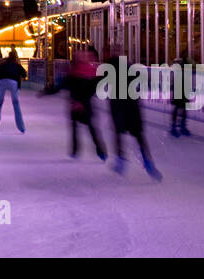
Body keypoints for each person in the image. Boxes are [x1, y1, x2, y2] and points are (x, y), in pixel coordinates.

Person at [103, 47, 161, 180]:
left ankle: (121, 159)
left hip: (121, 106)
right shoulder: (129, 68)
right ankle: (147, 162)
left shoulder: (110, 69)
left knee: (119, 134)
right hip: (131, 106)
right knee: (138, 136)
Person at [56, 48, 107, 159]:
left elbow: (61, 86)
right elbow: (92, 88)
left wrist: (47, 91)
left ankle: (76, 150)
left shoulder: (73, 74)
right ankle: (100, 150)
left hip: (77, 105)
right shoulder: (88, 71)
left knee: (76, 128)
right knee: (90, 128)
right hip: (83, 104)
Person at [0, 49, 27, 133]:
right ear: (15, 58)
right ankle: (21, 128)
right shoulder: (16, 64)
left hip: (0, 81)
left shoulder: (2, 64)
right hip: (13, 82)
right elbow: (24, 74)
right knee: (16, 103)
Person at [170, 51, 191, 138]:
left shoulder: (185, 63)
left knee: (183, 107)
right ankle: (175, 126)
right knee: (178, 107)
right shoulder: (179, 63)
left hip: (183, 87)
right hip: (179, 87)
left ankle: (181, 126)